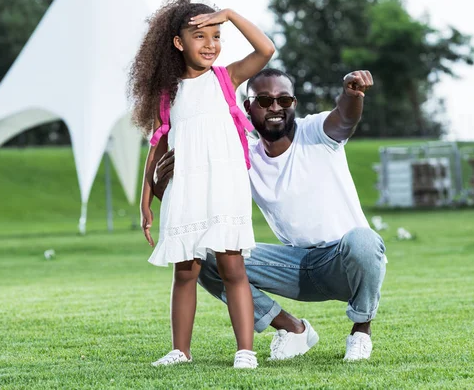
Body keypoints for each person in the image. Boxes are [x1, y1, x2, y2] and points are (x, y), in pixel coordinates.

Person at [150, 68, 386, 362]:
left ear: (293, 104)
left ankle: (361, 331)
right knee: (209, 254)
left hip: (342, 261)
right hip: (294, 266)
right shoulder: (241, 155)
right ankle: (292, 328)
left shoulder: (316, 132)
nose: (275, 107)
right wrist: (161, 183)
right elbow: (194, 198)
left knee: (363, 240)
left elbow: (345, 119)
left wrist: (352, 95)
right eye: (264, 100)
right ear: (247, 107)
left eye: (283, 100)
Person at [129, 0, 275, 369]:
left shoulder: (226, 79)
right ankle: (181, 349)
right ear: (178, 42)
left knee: (232, 268)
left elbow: (266, 50)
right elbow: (158, 145)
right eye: (200, 36)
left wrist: (230, 14)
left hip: (224, 185)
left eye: (216, 36)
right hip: (185, 188)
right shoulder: (168, 94)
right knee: (185, 271)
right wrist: (145, 198)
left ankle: (245, 350)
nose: (211, 44)